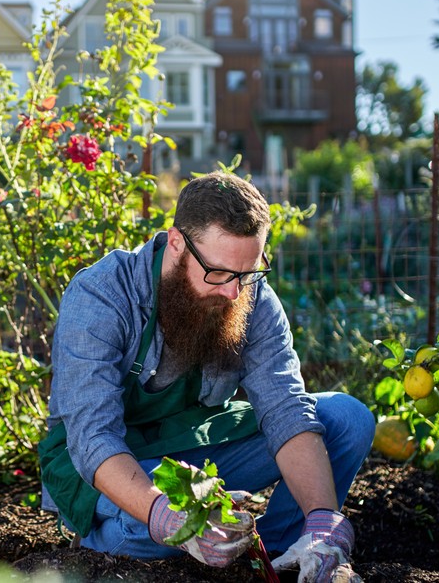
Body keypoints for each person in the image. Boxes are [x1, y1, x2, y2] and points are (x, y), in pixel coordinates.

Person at [38, 171, 375, 583]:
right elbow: (93, 437)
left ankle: (280, 553)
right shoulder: (102, 295)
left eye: (248, 272)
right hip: (108, 463)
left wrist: (323, 518)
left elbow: (285, 407)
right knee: (149, 530)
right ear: (177, 243)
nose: (234, 292)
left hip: (192, 449)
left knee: (346, 418)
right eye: (219, 273)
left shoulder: (250, 297)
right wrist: (164, 514)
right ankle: (117, 541)